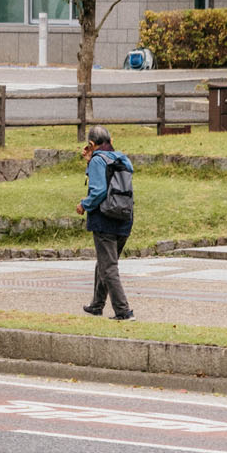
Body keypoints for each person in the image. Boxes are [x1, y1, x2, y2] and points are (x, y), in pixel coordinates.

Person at [77, 125, 134, 320]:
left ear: (91, 144)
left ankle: (123, 311)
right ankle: (97, 304)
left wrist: (84, 205)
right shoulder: (122, 158)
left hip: (105, 219)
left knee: (109, 267)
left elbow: (99, 190)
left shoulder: (97, 161)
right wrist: (90, 159)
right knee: (105, 262)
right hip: (125, 217)